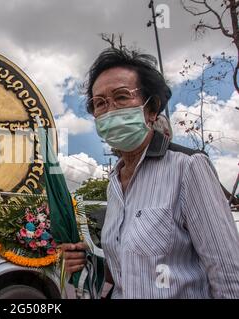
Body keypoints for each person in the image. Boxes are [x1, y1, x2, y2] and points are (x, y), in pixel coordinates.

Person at [61, 48, 239, 298]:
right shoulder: (114, 182)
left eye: (122, 97)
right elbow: (130, 271)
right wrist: (88, 261)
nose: (110, 110)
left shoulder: (187, 167)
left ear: (151, 108)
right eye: (99, 103)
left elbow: (229, 276)